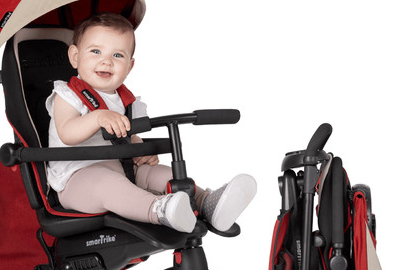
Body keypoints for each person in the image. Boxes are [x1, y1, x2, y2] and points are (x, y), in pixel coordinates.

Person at [46, 12, 256, 232]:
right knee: (109, 185)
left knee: (163, 174)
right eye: (96, 51)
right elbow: (67, 133)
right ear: (75, 57)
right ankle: (159, 210)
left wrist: (139, 150)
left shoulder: (127, 102)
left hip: (123, 170)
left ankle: (206, 203)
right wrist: (98, 117)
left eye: (117, 55)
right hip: (77, 181)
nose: (106, 61)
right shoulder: (68, 95)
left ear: (129, 66)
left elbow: (128, 137)